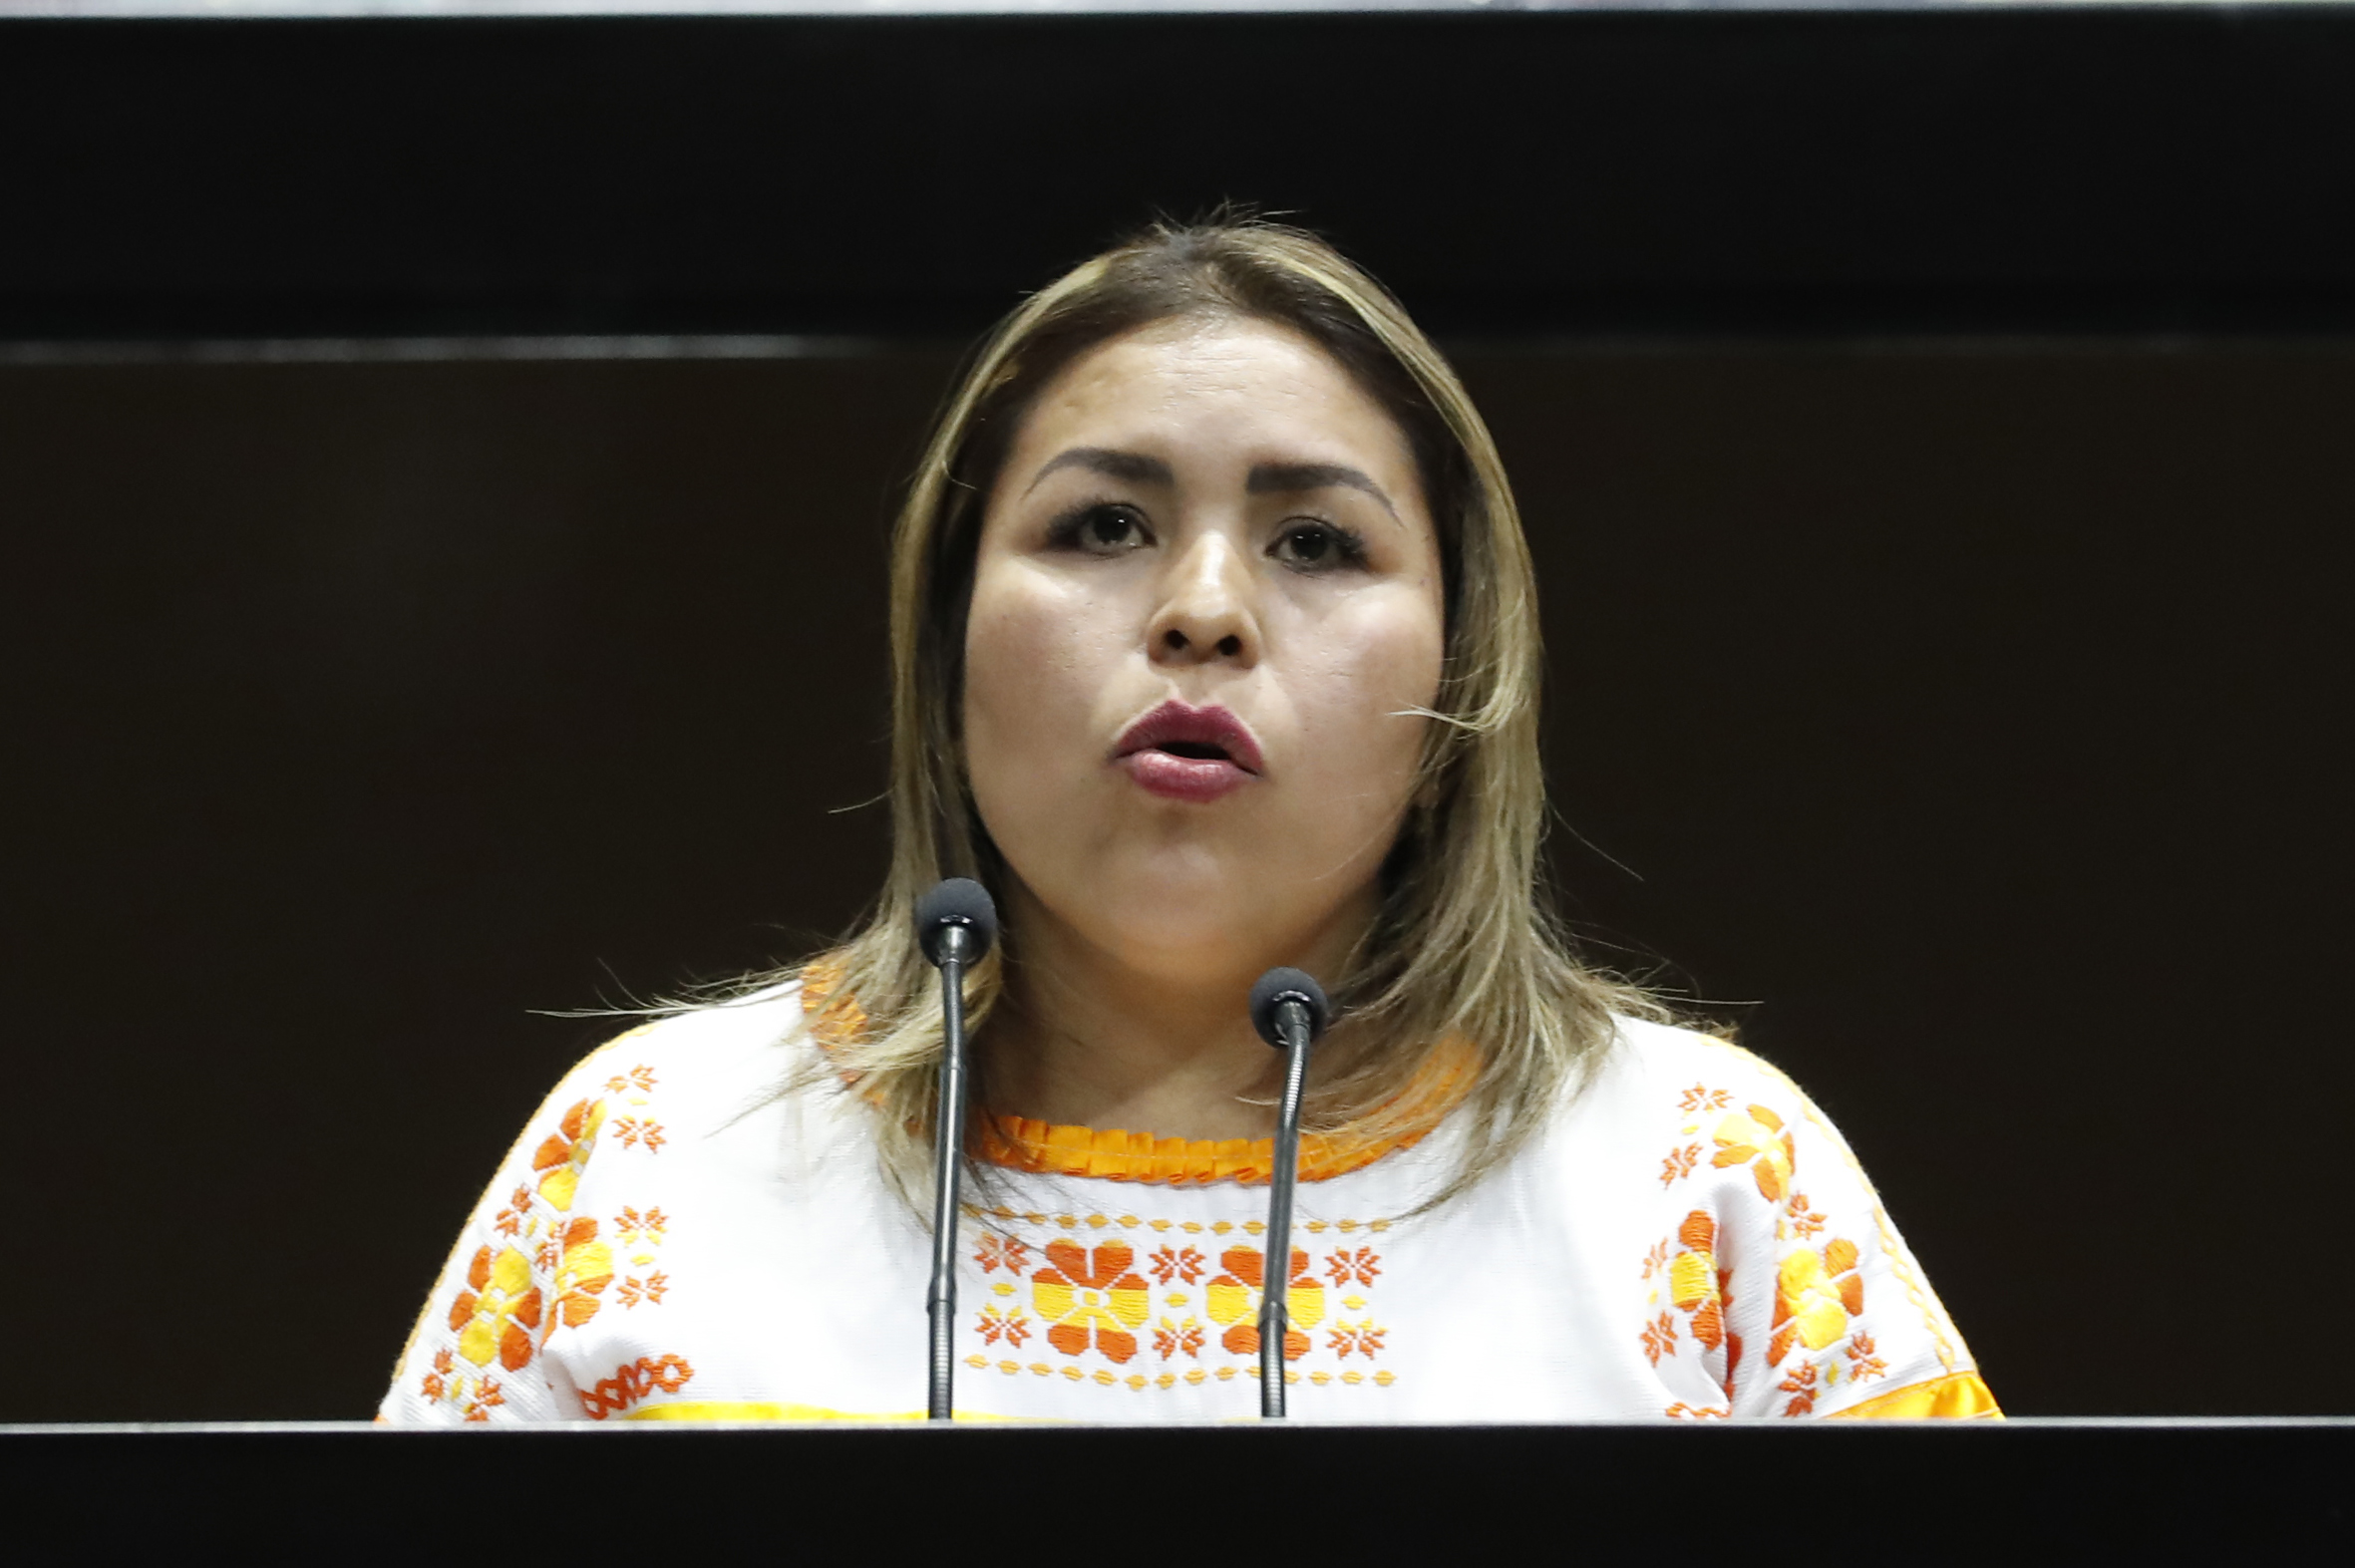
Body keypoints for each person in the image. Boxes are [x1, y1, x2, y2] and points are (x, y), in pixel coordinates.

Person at [380, 220, 1996, 1424]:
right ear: (943, 661)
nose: (1202, 609)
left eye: (1314, 542)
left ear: (1461, 689)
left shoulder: (1704, 1178)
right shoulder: (653, 1159)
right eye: (1102, 524)